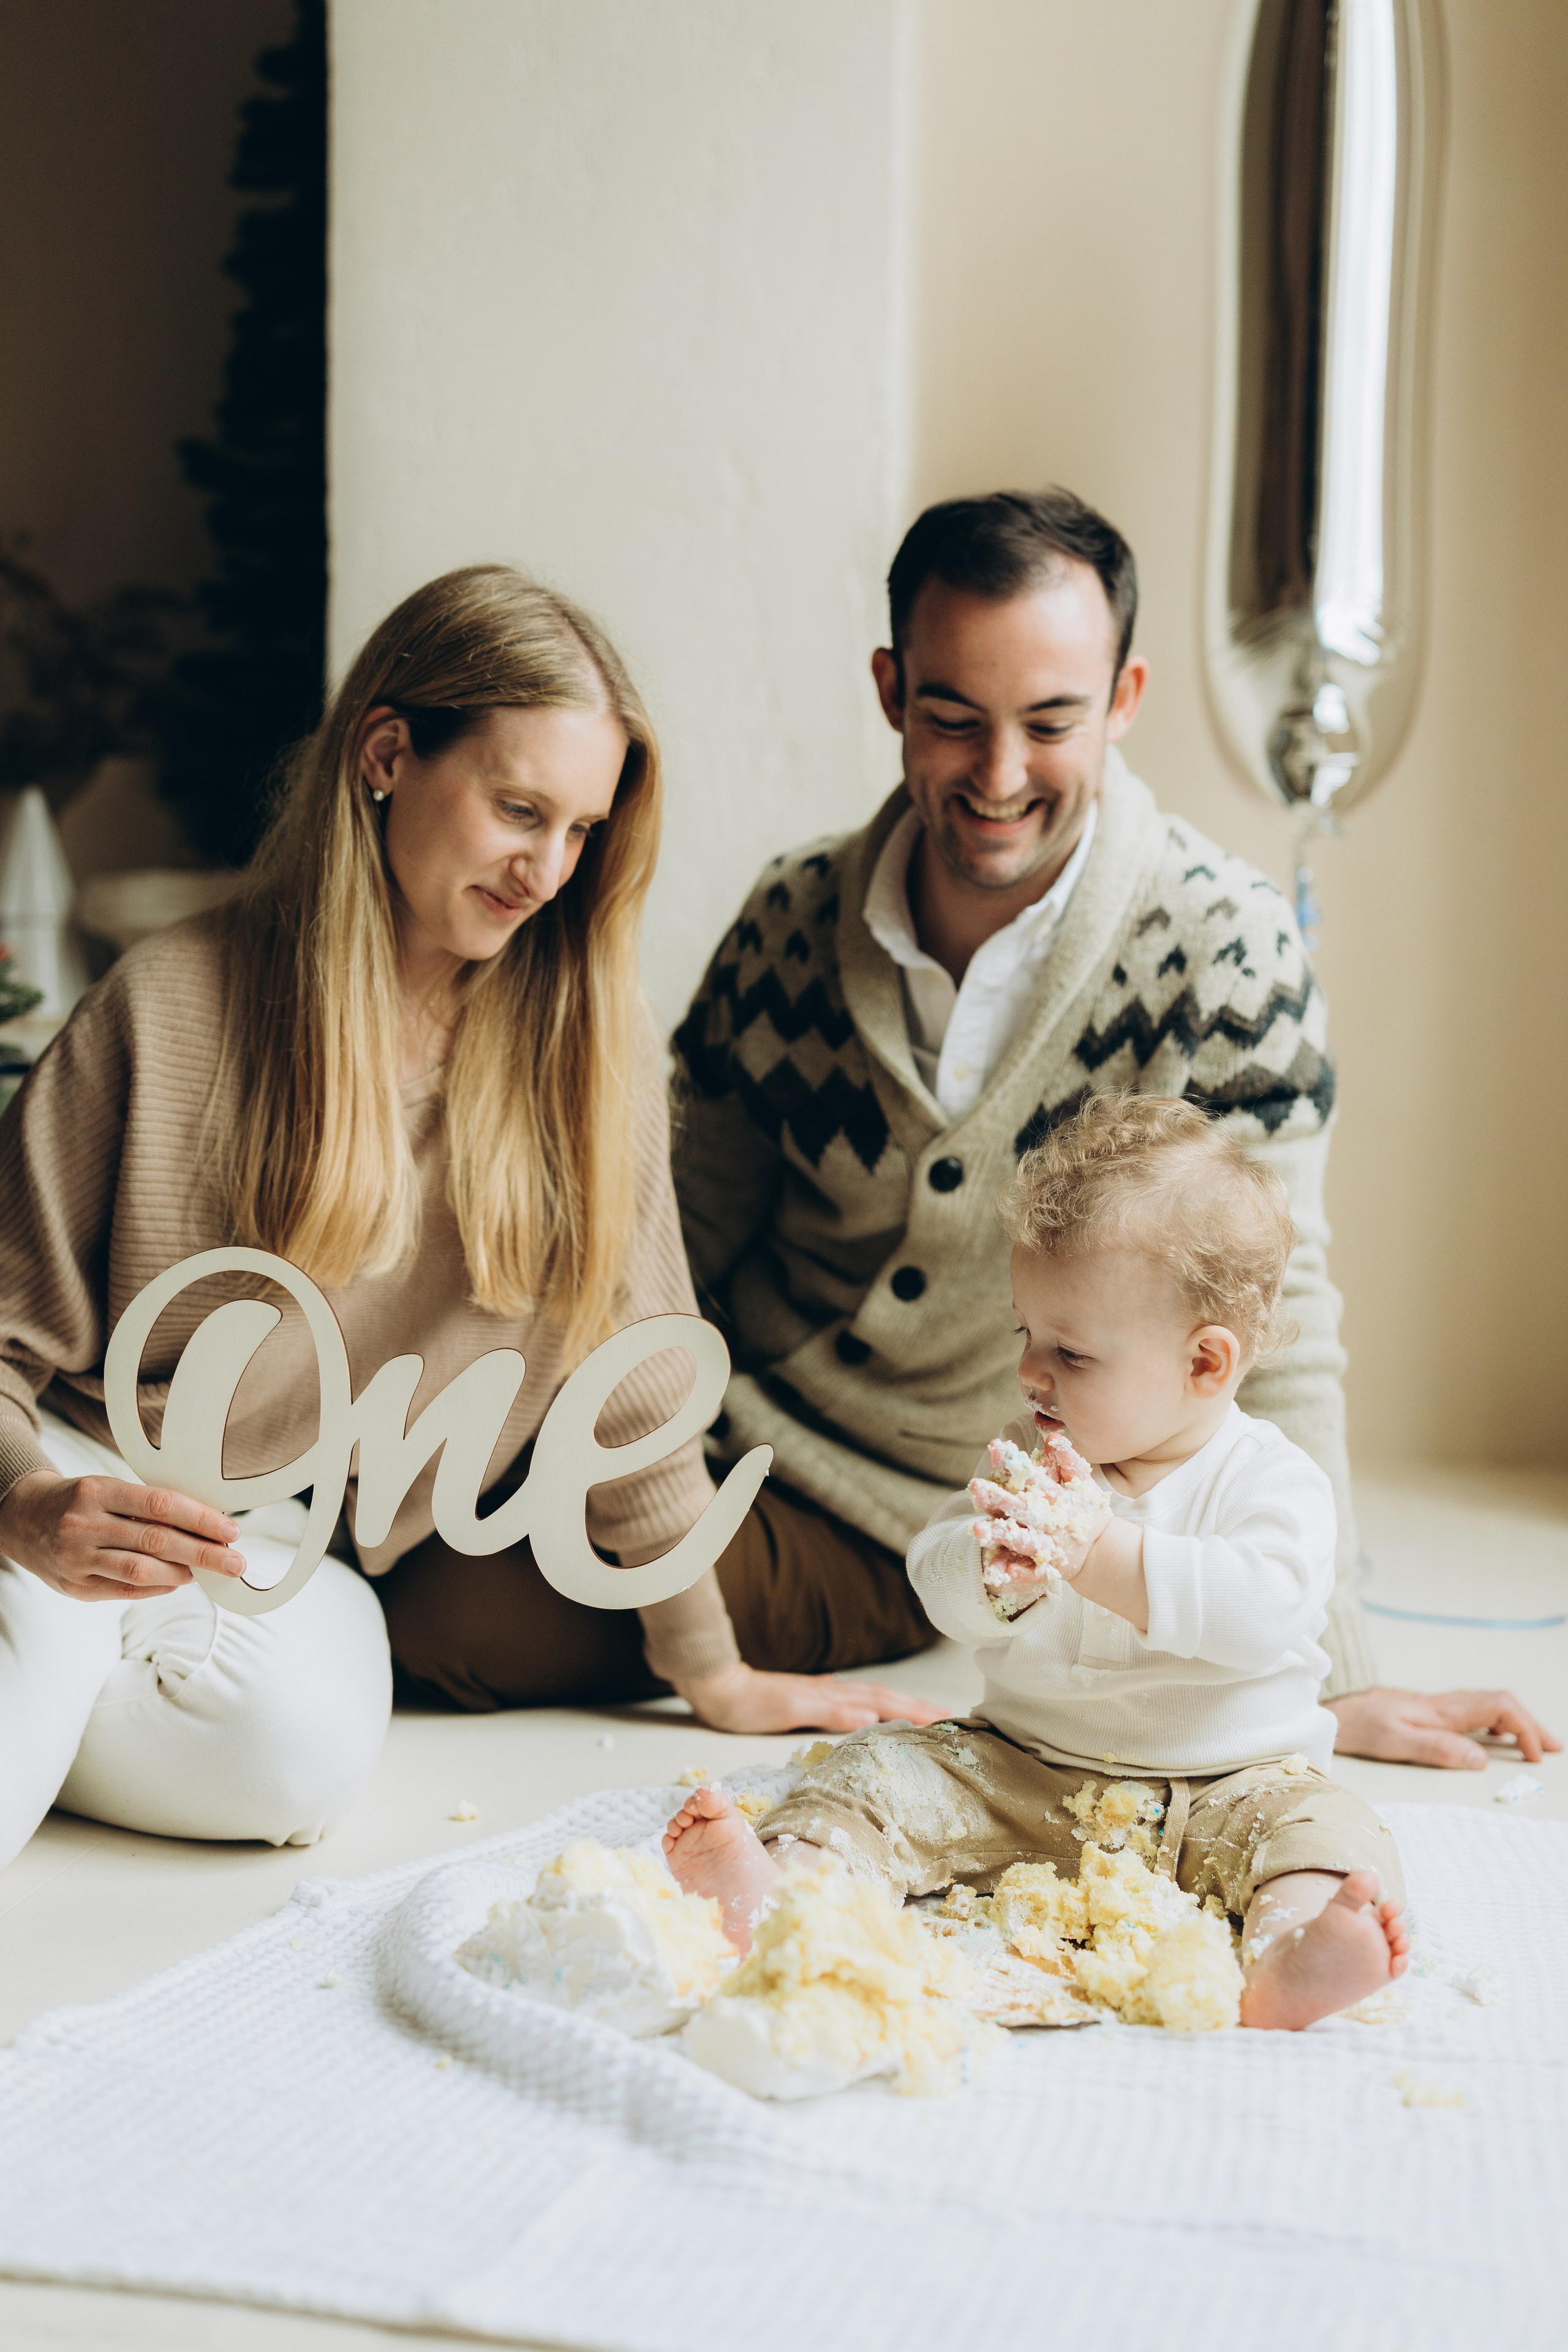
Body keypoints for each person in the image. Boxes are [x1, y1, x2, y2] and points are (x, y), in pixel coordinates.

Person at [0, 566, 931, 1877]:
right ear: (386, 755)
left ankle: (59, 1649)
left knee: (297, 1758)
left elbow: (638, 1405)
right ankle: (43, 1630)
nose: (549, 869)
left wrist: (712, 1674)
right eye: (517, 809)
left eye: (580, 831)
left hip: (263, 1549)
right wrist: (31, 1511)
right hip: (63, 1467)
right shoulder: (166, 1005)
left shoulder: (586, 1072)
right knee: (37, 1628)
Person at [671, 488, 1558, 1774]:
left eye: (1050, 722)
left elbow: (1277, 1307)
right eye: (950, 718)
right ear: (887, 691)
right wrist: (612, 1455)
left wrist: (1328, 1676)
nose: (997, 775)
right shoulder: (789, 919)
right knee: (459, 1531)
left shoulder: (1223, 950)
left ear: (1124, 699)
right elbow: (672, 1236)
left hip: (956, 1514)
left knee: (478, 1624)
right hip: (739, 1447)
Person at [666, 1095, 1411, 2031]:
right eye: (1027, 1334)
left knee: (1331, 1836)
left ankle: (1289, 1956)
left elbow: (1265, 1615)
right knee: (876, 1772)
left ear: (1207, 1365)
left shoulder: (1271, 1481)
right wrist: (990, 1579)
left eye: (1072, 1351)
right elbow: (935, 1576)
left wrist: (1097, 1555)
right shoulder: (1029, 1456)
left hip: (1230, 1785)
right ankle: (786, 1892)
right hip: (1025, 1771)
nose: (1031, 1373)